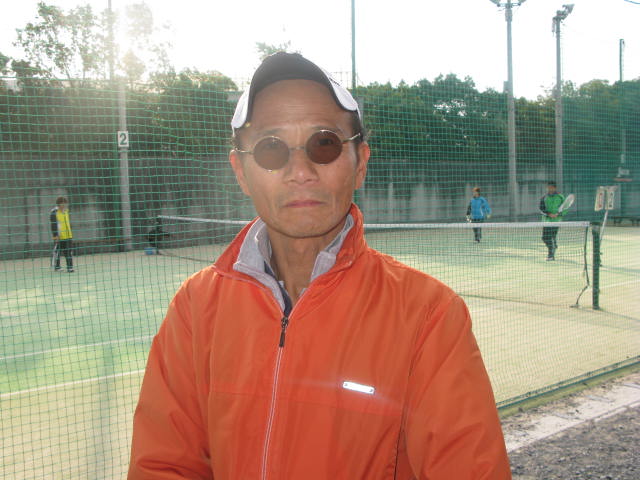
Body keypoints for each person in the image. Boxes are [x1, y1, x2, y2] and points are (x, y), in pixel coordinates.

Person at [128, 52, 510, 479]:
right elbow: (164, 465)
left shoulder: (428, 315)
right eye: (271, 148)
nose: (300, 171)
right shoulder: (196, 308)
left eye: (323, 144)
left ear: (361, 163)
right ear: (241, 172)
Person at [539, 182, 565, 261]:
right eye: (548, 187)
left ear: (555, 188)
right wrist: (549, 214)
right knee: (545, 238)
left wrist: (558, 214)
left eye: (551, 187)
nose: (550, 189)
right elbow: (541, 208)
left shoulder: (560, 197)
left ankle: (550, 254)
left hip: (557, 221)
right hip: (546, 221)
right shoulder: (544, 198)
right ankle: (553, 245)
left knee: (551, 237)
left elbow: (565, 208)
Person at [50, 196, 74, 272]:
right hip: (59, 236)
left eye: (65, 203)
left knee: (68, 252)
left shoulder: (66, 211)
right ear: (59, 204)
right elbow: (53, 225)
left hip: (68, 235)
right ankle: (56, 267)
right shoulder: (54, 212)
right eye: (62, 203)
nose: (64, 205)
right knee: (57, 252)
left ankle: (70, 267)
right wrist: (55, 235)